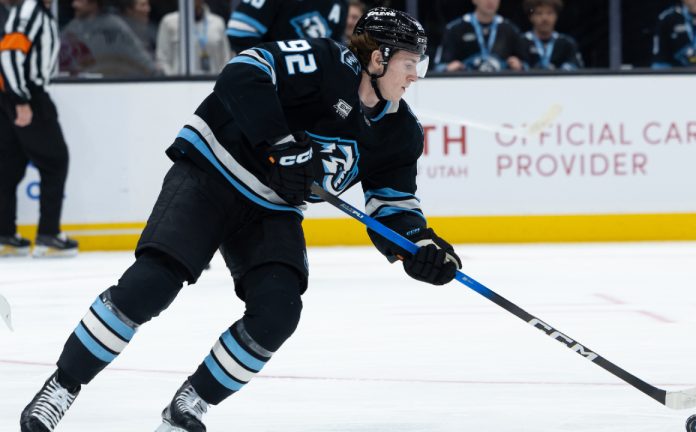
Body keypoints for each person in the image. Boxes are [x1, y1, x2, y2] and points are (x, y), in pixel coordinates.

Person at [19, 7, 461, 431]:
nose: (414, 76)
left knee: (277, 313)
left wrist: (419, 246)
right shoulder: (325, 63)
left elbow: (393, 205)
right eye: (408, 63)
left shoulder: (400, 132)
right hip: (212, 171)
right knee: (151, 285)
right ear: (378, 58)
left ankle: (188, 406)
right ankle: (62, 386)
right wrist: (281, 143)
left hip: (272, 207)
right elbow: (244, 70)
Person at [0, 0, 79, 258]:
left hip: (15, 94)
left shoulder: (35, 11)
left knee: (9, 166)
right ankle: (48, 234)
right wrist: (20, 99)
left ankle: (4, 234)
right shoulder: (29, 11)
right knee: (55, 160)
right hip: (26, 95)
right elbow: (9, 53)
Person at [59, 0, 160, 77]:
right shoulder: (72, 27)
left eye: (80, 0)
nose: (74, 5)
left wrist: (160, 77)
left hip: (111, 89)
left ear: (94, 2)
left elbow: (140, 57)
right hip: (78, 90)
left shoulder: (113, 26)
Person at [434, 0, 527, 72]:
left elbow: (529, 66)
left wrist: (520, 66)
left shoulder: (510, 29)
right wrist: (447, 69)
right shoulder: (455, 29)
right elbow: (438, 67)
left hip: (501, 88)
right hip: (465, 88)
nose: (490, 1)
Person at [226, 0, 349, 54]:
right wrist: (271, 66)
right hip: (272, 86)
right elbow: (239, 32)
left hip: (314, 89)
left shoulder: (341, 3)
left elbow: (335, 49)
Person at [156, 0, 231, 76]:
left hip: (211, 83)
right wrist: (173, 82)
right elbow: (162, 59)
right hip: (178, 84)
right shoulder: (169, 22)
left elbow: (225, 58)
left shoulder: (218, 22)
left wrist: (219, 82)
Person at [521, 0, 582, 70]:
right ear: (531, 17)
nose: (544, 18)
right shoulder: (520, 42)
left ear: (556, 16)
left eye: (549, 13)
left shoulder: (567, 44)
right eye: (539, 13)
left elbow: (577, 67)